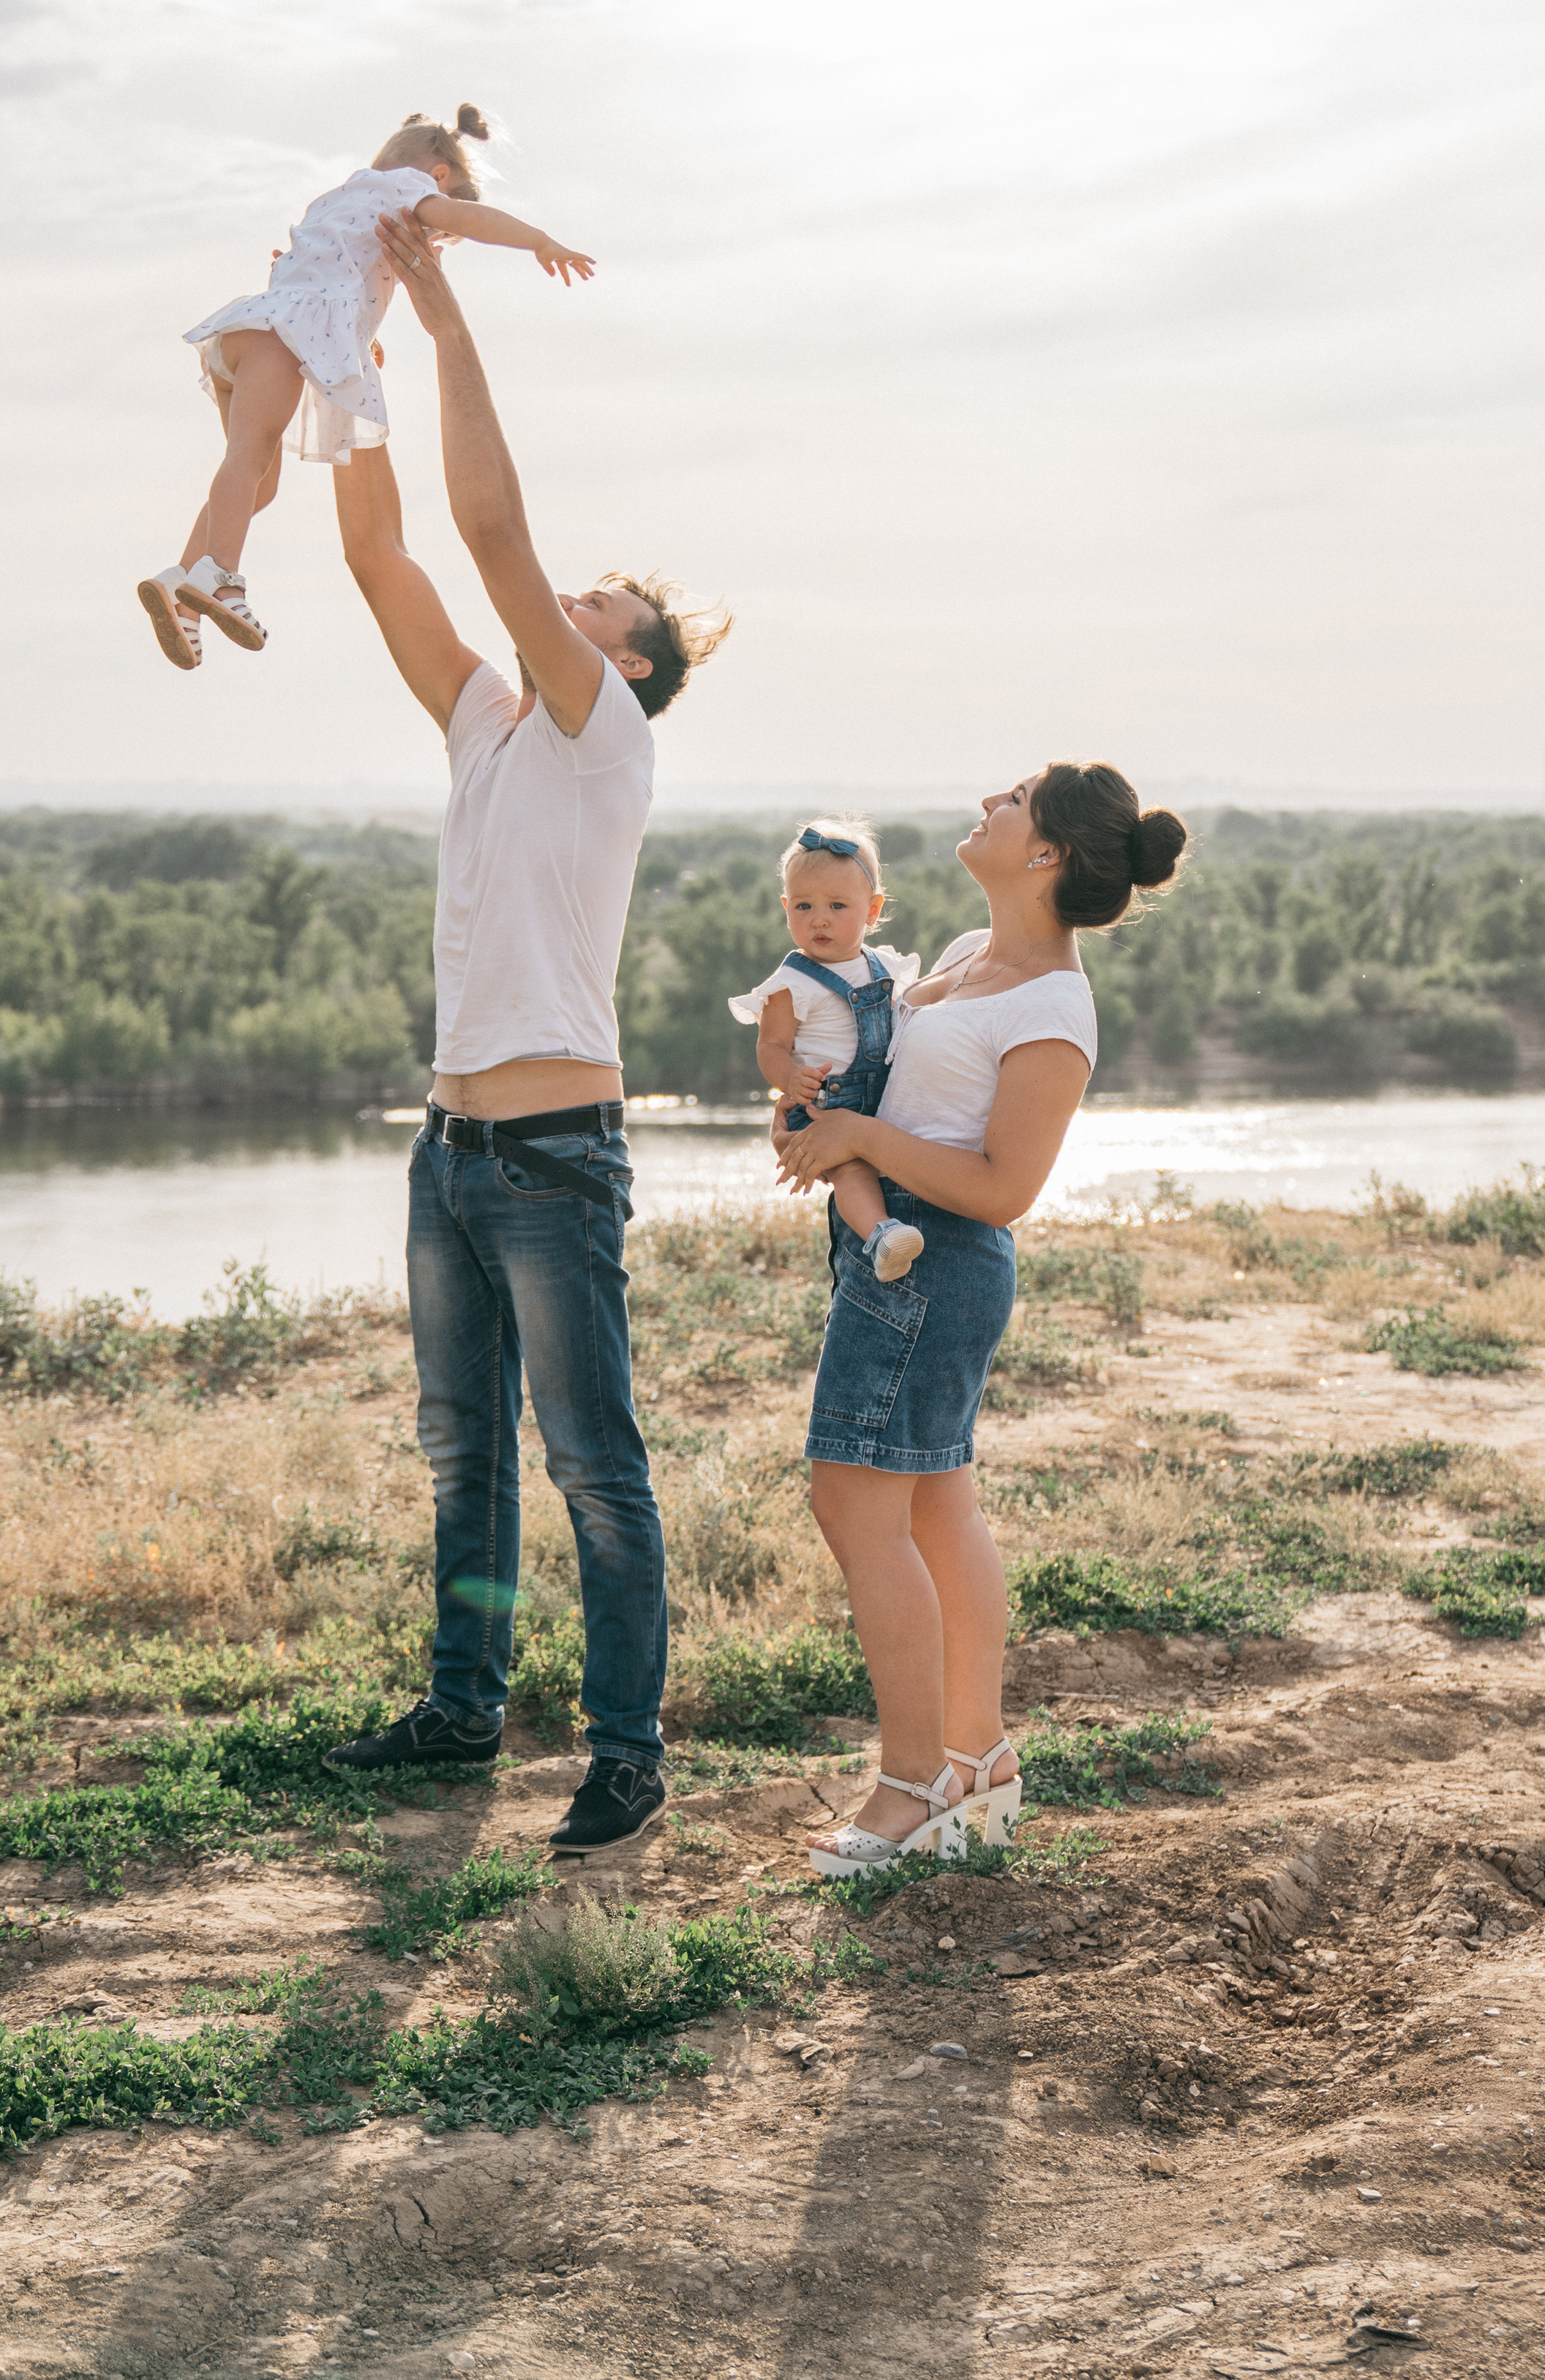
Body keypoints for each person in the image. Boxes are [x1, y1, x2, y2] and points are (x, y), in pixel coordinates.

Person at [323, 208, 730, 1857]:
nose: (560, 602)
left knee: (591, 1465)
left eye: (590, 603)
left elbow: (486, 525)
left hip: (557, 1155)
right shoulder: (491, 722)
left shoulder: (598, 730)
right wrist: (332, 366)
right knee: (459, 1455)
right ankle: (459, 1708)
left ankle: (627, 1754)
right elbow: (384, 559)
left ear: (623, 658)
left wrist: (437, 317)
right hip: (451, 1148)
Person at [775, 763, 1187, 1877]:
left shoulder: (1055, 1007)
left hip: (938, 1264)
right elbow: (896, 1092)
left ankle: (910, 1787)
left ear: (1045, 852)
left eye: (1015, 797)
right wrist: (821, 1113)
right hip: (889, 1247)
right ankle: (981, 1763)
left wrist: (859, 1140)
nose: (990, 800)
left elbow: (1006, 1187)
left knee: (857, 1502)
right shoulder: (963, 952)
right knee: (936, 1509)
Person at [138, 105, 595, 669]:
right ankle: (221, 579)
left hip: (250, 336)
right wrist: (540, 241)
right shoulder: (409, 187)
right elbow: (474, 220)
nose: (435, 238)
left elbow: (333, 273)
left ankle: (180, 580)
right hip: (279, 338)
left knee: (259, 480)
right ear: (439, 175)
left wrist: (355, 339)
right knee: (249, 455)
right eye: (439, 230)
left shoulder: (340, 195)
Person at [728, 818, 925, 1280]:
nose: (820, 918)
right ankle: (881, 1237)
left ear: (872, 910)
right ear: (785, 908)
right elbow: (771, 1046)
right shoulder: (792, 984)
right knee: (851, 1168)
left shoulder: (886, 965)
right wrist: (789, 1078)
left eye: (838, 905)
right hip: (824, 1103)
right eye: (804, 906)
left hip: (881, 1099)